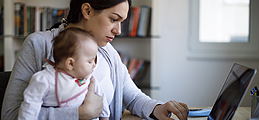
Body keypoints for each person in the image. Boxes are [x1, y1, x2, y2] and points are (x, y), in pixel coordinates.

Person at [1, 0, 189, 119]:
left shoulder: (109, 53)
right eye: (114, 19)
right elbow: (10, 115)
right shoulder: (38, 45)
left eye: (122, 22)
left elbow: (133, 97)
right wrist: (77, 114)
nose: (119, 30)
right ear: (87, 10)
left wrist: (157, 107)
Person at [18, 27, 109, 120]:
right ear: (70, 63)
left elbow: (102, 99)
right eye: (90, 61)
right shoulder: (46, 79)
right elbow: (30, 106)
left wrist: (105, 117)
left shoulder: (90, 80)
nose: (94, 65)